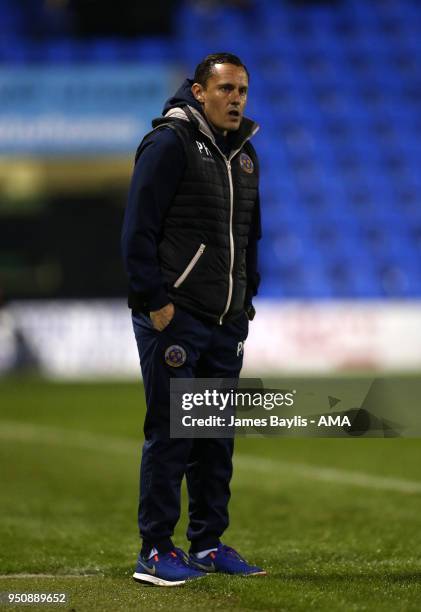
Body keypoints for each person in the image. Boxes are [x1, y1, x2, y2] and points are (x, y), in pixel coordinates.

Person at [121, 52, 264, 587]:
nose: (236, 99)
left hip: (224, 322)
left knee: (215, 438)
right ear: (199, 92)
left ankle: (206, 544)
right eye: (226, 89)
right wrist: (156, 301)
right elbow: (137, 229)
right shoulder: (171, 143)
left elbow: (250, 238)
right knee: (173, 434)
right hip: (175, 319)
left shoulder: (245, 155)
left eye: (243, 90)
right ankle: (155, 550)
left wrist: (244, 304)